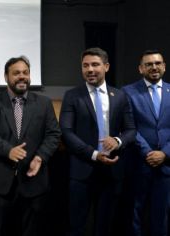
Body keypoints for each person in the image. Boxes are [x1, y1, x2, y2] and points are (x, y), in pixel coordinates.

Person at [59, 47, 136, 236]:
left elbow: (131, 129)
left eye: (95, 64)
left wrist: (118, 141)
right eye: (85, 66)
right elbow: (66, 132)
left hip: (112, 171)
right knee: (77, 226)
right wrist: (93, 154)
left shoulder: (119, 95)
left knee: (105, 225)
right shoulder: (72, 95)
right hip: (82, 171)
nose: (90, 70)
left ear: (106, 66)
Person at [0, 56, 61, 236]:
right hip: (2, 182)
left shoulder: (44, 103)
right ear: (6, 77)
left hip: (34, 180)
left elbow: (53, 134)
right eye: (16, 73)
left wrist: (40, 157)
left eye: (25, 72)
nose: (22, 76)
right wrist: (8, 150)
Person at [123, 50, 170, 236]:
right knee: (135, 213)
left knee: (162, 214)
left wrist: (165, 153)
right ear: (141, 69)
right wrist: (148, 153)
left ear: (164, 66)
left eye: (158, 63)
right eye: (149, 64)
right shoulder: (128, 92)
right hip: (139, 162)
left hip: (166, 164)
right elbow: (129, 126)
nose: (154, 67)